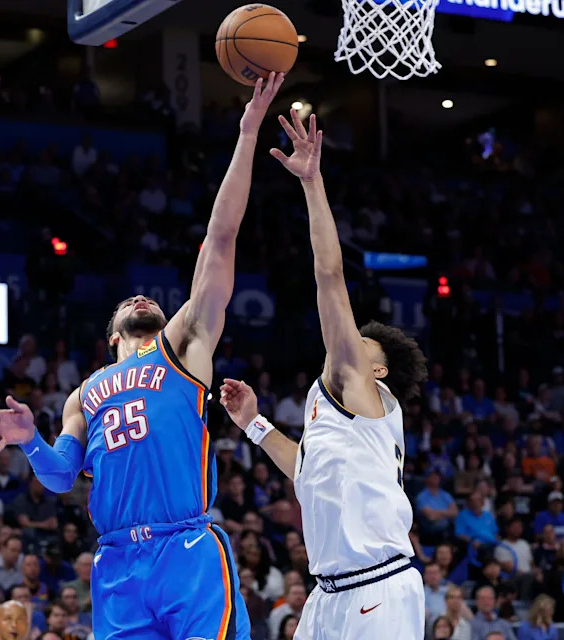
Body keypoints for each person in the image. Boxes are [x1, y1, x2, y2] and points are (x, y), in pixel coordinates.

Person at [0, 73, 286, 640]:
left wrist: (245, 133)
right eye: (128, 303)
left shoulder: (183, 348)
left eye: (152, 303)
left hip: (184, 548)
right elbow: (63, 475)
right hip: (116, 564)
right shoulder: (82, 393)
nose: (143, 300)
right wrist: (30, 441)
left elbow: (219, 238)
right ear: (110, 335)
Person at [219, 112, 428, 639]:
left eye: (362, 342)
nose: (348, 341)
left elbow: (330, 275)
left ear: (377, 369)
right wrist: (254, 424)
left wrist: (312, 183)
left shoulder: (363, 387)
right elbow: (308, 468)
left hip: (377, 586)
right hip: (328, 592)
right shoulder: (333, 403)